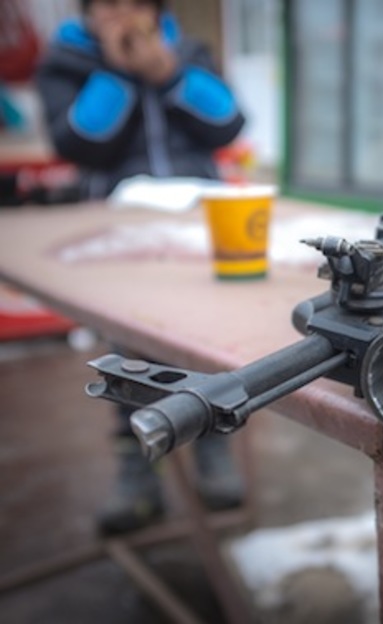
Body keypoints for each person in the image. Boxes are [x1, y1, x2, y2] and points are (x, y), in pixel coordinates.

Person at [35, 0, 247, 534]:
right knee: (128, 351)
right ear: (88, 13)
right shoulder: (66, 61)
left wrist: (167, 72)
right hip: (116, 234)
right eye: (109, 5)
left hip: (197, 227)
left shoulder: (186, 52)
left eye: (136, 4)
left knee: (208, 341)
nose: (124, 15)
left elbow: (228, 123)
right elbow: (78, 143)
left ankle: (213, 445)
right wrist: (118, 72)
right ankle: (139, 468)